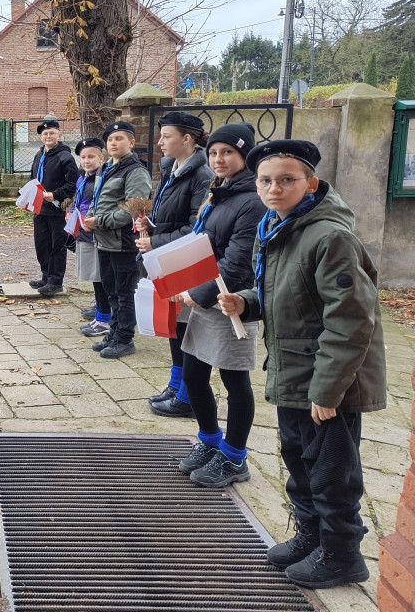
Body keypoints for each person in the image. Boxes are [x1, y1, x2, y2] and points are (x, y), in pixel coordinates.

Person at [218, 139, 386, 589]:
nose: (275, 188)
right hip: (293, 369)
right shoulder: (278, 227)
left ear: (310, 183)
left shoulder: (328, 235)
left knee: (332, 470)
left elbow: (351, 319)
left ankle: (341, 554)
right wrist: (245, 302)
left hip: (327, 380)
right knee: (298, 459)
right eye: (266, 180)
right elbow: (287, 295)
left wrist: (328, 391)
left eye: (287, 180)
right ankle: (311, 537)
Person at [170, 124, 265, 487]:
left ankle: (235, 457)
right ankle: (209, 441)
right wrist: (177, 279)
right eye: (214, 153)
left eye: (228, 152)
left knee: (234, 379)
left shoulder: (253, 200)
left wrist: (200, 292)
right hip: (202, 299)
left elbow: (238, 261)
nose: (218, 159)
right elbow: (200, 244)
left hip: (231, 304)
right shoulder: (218, 192)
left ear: (245, 156)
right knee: (193, 375)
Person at [138, 111, 213, 418]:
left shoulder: (202, 175)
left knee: (184, 327)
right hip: (166, 258)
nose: (160, 142)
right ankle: (176, 384)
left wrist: (155, 241)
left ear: (187, 138)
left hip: (183, 261)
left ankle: (187, 396)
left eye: (166, 136)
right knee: (173, 325)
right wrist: (150, 224)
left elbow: (197, 228)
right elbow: (167, 212)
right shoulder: (169, 167)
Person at [83, 120, 152, 358]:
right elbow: (99, 200)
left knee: (125, 294)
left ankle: (125, 339)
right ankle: (113, 333)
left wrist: (99, 222)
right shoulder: (108, 168)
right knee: (111, 291)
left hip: (123, 243)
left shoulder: (136, 171)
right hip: (105, 242)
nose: (113, 143)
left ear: (131, 143)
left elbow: (134, 210)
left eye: (119, 139)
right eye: (110, 140)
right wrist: (91, 217)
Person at [27, 118, 78, 296]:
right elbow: (33, 179)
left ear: (59, 135)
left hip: (57, 210)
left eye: (51, 133)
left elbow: (73, 184)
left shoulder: (66, 157)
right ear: (41, 137)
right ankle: (46, 276)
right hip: (40, 209)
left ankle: (56, 282)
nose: (48, 136)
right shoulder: (39, 155)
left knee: (57, 246)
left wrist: (55, 194)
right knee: (42, 245)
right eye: (44, 134)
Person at [67, 138, 111, 335]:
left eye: (91, 156)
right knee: (94, 277)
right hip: (83, 231)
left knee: (100, 276)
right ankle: (100, 313)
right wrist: (69, 210)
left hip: (95, 232)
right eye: (83, 157)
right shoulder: (83, 177)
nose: (86, 161)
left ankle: (104, 319)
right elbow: (78, 199)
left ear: (101, 158)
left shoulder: (102, 178)